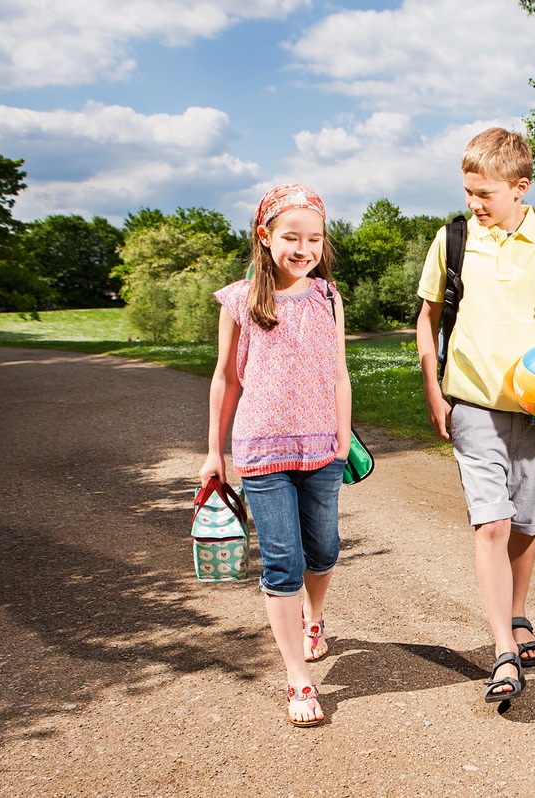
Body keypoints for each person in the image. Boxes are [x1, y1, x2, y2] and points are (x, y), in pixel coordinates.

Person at [415, 128, 535, 703]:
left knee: (524, 520)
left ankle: (518, 613)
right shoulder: (451, 241)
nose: (474, 203)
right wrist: (433, 388)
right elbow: (427, 321)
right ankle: (503, 649)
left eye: (485, 193)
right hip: (471, 404)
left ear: (520, 188)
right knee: (492, 522)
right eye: (468, 191)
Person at [199, 183, 352, 726]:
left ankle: (316, 617)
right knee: (284, 562)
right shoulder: (238, 300)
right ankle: (297, 679)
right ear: (265, 237)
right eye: (291, 237)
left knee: (325, 549)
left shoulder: (328, 297)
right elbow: (225, 379)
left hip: (321, 448)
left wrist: (343, 435)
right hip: (260, 450)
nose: (303, 248)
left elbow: (339, 372)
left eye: (314, 238)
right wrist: (213, 453)